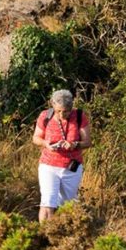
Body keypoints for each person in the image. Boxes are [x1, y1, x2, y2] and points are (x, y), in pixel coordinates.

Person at [31, 89, 91, 222]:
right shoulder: (45, 116)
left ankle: (65, 235)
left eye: (66, 111)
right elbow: (36, 138)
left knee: (68, 204)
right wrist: (46, 144)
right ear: (52, 105)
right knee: (47, 202)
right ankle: (46, 235)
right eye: (58, 111)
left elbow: (87, 142)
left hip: (71, 167)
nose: (62, 114)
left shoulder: (80, 116)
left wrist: (74, 144)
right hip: (48, 165)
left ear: (71, 107)